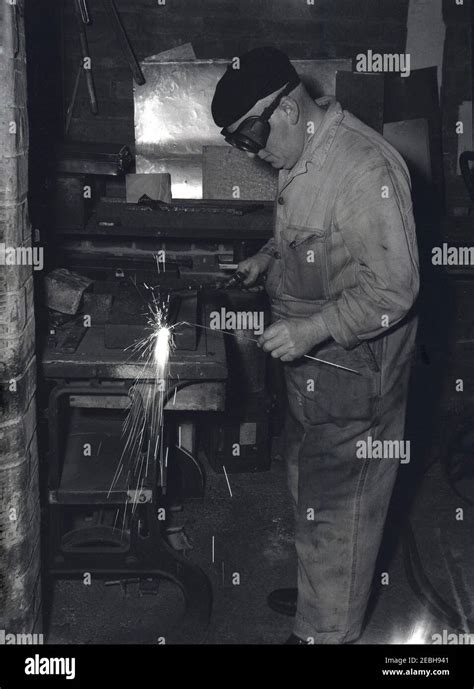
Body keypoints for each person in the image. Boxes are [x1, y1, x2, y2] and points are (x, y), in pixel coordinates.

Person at [211, 47, 419, 644]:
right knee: (308, 486)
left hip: (355, 366)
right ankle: (320, 597)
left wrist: (309, 329)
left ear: (287, 107)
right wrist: (265, 258)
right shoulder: (299, 153)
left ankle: (326, 632)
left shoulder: (364, 170)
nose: (250, 153)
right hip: (311, 368)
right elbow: (309, 235)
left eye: (250, 136)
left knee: (340, 508)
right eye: (238, 143)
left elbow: (396, 290)